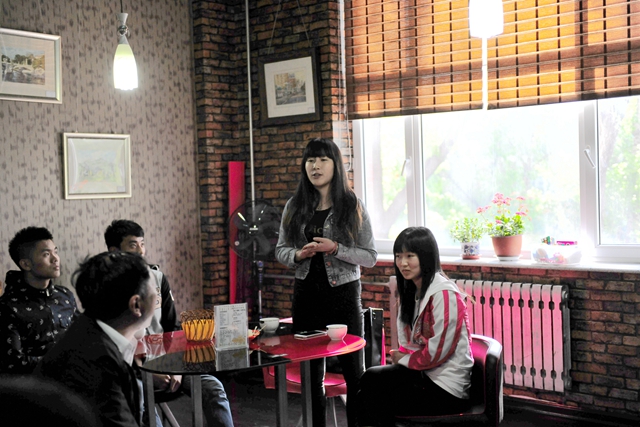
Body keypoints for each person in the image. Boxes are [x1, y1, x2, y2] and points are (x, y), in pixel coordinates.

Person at [275, 137, 377, 427]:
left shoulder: (352, 205)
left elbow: (369, 256)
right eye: (310, 160)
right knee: (311, 377)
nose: (315, 166)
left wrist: (335, 249)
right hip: (306, 296)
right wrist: (298, 254)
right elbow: (280, 250)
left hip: (343, 296)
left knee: (354, 374)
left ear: (335, 165)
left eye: (322, 160)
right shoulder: (294, 206)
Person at [105, 219, 234, 427]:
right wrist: (148, 374)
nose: (141, 251)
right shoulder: (106, 288)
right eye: (133, 245)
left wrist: (177, 368)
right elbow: (113, 347)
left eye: (142, 244)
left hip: (167, 363)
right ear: (114, 251)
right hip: (133, 372)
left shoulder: (157, 278)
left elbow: (173, 328)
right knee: (146, 410)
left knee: (213, 388)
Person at [357, 227, 474, 427]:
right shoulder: (414, 290)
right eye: (398, 256)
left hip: (446, 387)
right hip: (424, 375)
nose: (403, 263)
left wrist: (404, 360)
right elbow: (410, 342)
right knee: (370, 381)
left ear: (426, 257)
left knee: (374, 394)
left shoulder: (444, 294)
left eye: (410, 256)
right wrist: (404, 358)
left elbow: (437, 353)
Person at [36, 251, 158, 427]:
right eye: (155, 289)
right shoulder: (96, 362)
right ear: (136, 305)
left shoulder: (89, 327)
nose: (157, 296)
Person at [0, 227, 78, 374]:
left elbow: (83, 333)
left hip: (73, 376)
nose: (55, 259)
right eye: (46, 254)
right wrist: (62, 362)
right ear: (26, 264)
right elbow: (13, 362)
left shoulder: (65, 296)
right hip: (33, 384)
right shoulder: (8, 307)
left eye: (55, 252)